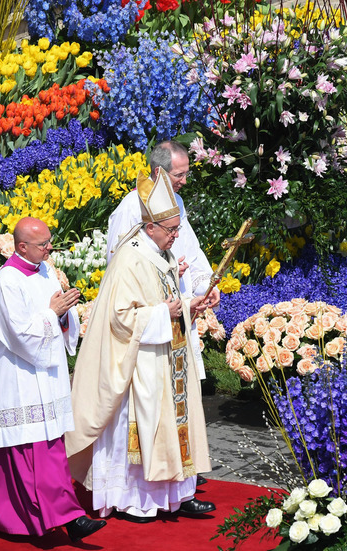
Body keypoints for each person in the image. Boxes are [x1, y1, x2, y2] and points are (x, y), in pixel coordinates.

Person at [65, 167, 215, 524]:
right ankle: (134, 501)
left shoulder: (161, 252)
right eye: (171, 230)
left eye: (177, 229)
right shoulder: (129, 257)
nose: (176, 237)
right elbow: (120, 316)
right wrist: (163, 313)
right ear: (150, 227)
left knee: (173, 421)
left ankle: (175, 496)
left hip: (168, 355)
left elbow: (166, 298)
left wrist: (188, 305)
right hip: (140, 363)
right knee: (144, 426)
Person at [0, 216, 106, 543]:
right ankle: (67, 517)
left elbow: (57, 317)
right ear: (22, 247)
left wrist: (65, 313)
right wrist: (53, 313)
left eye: (50, 241)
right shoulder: (8, 282)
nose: (50, 248)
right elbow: (19, 335)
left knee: (46, 449)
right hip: (20, 379)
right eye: (43, 244)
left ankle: (25, 518)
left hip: (46, 376)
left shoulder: (46, 271)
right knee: (28, 454)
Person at [104, 139, 219, 486]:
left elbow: (192, 253)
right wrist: (164, 274)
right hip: (151, 322)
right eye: (179, 174)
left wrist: (205, 285)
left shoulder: (175, 203)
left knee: (181, 400)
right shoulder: (130, 210)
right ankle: (149, 482)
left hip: (179, 315)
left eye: (186, 173)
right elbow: (120, 271)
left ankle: (182, 477)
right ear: (159, 172)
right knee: (152, 406)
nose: (185, 180)